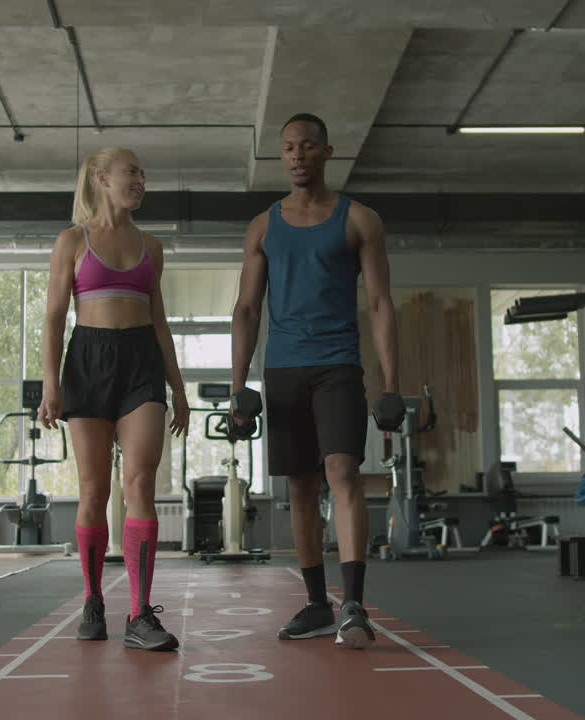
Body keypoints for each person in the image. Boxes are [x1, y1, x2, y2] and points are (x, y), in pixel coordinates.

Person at [230, 112, 399, 649]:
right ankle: (315, 604)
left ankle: (353, 604)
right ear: (282, 157)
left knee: (342, 471)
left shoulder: (360, 220)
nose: (297, 155)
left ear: (328, 152)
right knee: (300, 485)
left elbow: (378, 303)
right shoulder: (263, 226)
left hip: (337, 365)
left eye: (307, 146)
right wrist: (239, 386)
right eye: (288, 148)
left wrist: (392, 383)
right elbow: (247, 309)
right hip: (282, 369)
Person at [37, 146, 190, 652]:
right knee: (92, 490)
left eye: (144, 173)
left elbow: (161, 322)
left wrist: (179, 387)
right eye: (131, 172)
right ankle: (92, 599)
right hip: (88, 362)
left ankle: (140, 613)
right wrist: (50, 384)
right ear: (102, 179)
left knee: (140, 482)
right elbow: (56, 316)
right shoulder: (72, 242)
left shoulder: (153, 246)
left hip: (141, 363)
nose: (140, 180)